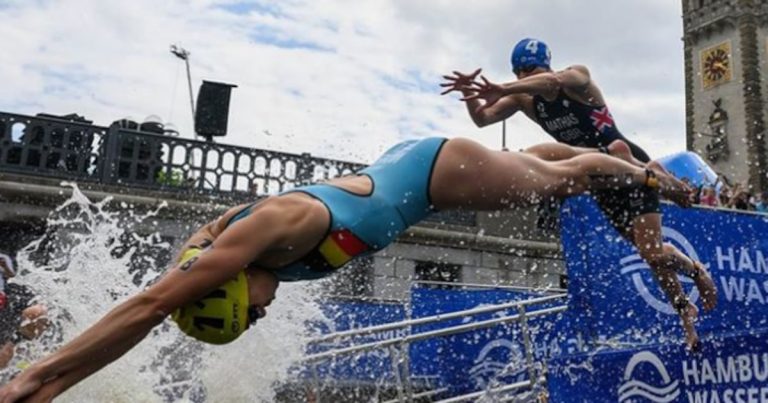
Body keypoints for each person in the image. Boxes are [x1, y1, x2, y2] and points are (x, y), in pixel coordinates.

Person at [0, 135, 691, 401]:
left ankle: (640, 169)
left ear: (235, 279)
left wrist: (41, 378)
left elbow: (150, 305)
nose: (267, 311)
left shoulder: (276, 226)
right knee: (543, 164)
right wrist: (190, 260)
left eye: (253, 309)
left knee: (564, 178)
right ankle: (650, 226)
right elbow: (181, 270)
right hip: (402, 173)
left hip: (433, 170)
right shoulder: (232, 248)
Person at [441, 38, 717, 350]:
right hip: (597, 177)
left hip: (625, 166)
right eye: (519, 74)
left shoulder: (576, 78)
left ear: (544, 67)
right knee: (651, 255)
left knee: (652, 251)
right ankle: (685, 313)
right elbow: (483, 119)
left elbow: (554, 81)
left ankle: (694, 264)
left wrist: (505, 88)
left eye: (529, 72)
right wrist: (468, 93)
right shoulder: (524, 100)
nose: (523, 80)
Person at [0, 253, 49, 370]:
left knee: (37, 312)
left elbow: (13, 277)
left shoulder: (4, 257)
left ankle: (22, 352)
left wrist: (5, 267)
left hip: (6, 301)